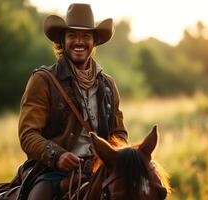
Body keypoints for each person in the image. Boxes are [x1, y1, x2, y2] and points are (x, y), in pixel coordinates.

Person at [18, 3, 128, 200]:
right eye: (72, 36)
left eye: (86, 36)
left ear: (94, 42)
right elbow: (28, 134)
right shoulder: (43, 80)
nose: (79, 41)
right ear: (63, 40)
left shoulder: (108, 84)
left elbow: (118, 133)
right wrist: (57, 155)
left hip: (100, 169)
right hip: (53, 170)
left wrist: (114, 156)